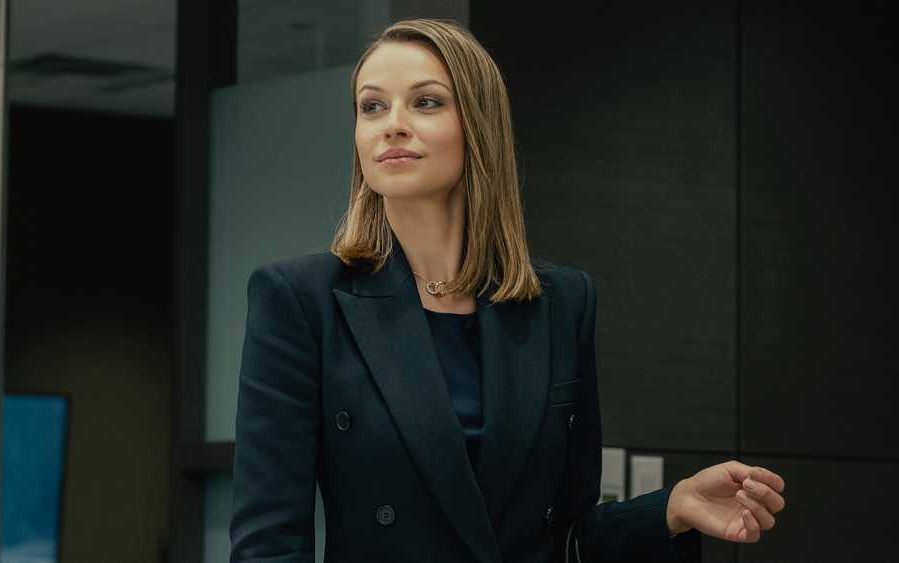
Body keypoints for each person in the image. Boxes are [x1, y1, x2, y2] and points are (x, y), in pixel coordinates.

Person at [229, 18, 785, 563]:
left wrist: (671, 508)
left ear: (479, 124)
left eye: (426, 102)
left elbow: (567, 537)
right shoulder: (299, 300)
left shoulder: (561, 303)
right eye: (372, 106)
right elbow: (269, 546)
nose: (391, 125)